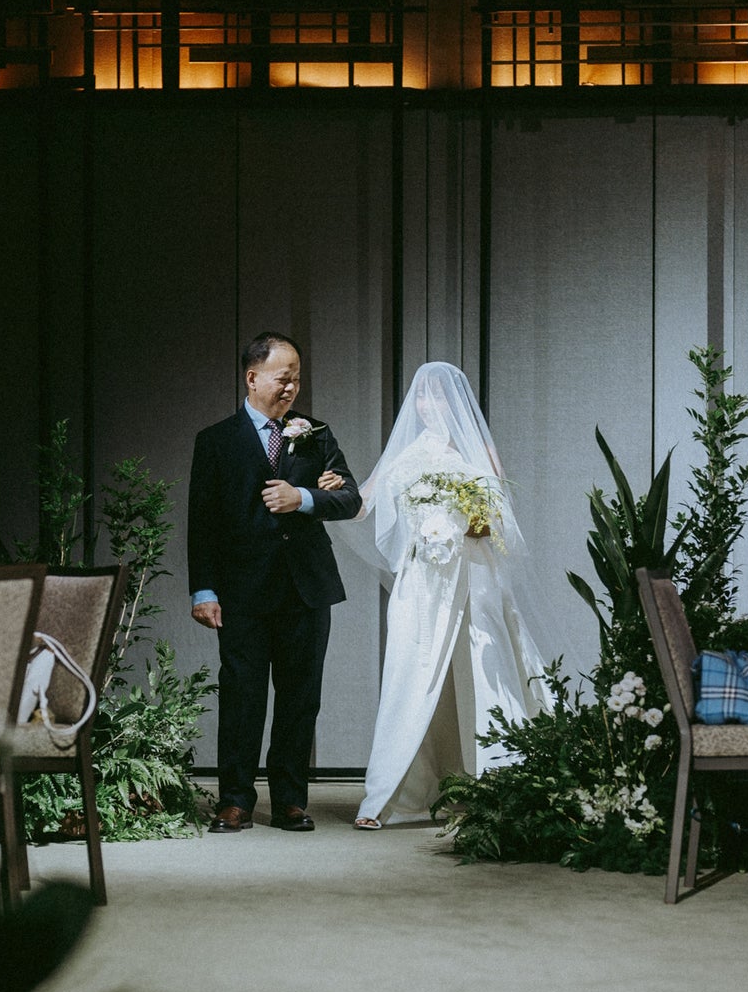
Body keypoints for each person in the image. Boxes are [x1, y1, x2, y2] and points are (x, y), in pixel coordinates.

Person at [332, 362, 553, 829]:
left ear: (457, 406)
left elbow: (498, 526)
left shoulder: (480, 453)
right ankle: (389, 797)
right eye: (422, 397)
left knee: (485, 670)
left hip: (474, 576)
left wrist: (463, 520)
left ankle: (498, 784)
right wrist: (324, 490)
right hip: (422, 581)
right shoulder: (406, 455)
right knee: (408, 674)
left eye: (439, 398)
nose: (429, 406)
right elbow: (361, 505)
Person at [187, 332, 362, 832]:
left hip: (306, 588)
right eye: (284, 377)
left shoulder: (315, 433)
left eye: (297, 379)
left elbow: (349, 498)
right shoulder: (216, 440)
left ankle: (289, 798)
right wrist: (203, 589)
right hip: (242, 589)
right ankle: (236, 798)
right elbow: (203, 523)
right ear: (253, 377)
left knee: (300, 696)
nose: (292, 388)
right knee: (241, 695)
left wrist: (303, 497)